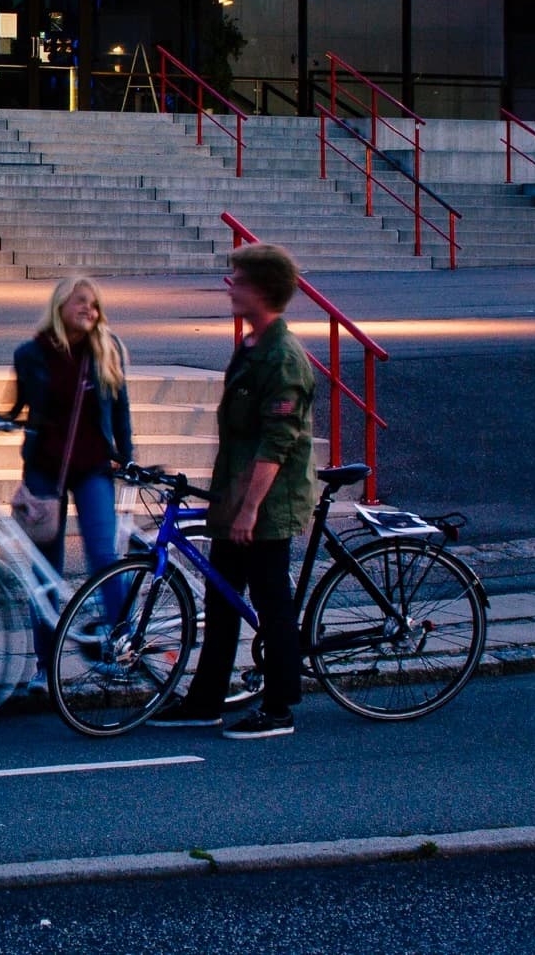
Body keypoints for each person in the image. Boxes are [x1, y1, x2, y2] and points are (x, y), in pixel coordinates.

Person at [153, 242, 315, 740]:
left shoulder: (282, 357)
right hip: (236, 493)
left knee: (271, 601)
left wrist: (249, 510)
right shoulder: (251, 346)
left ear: (262, 290)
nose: (230, 286)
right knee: (221, 599)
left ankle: (280, 706)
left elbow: (277, 443)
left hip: (268, 501)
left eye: (239, 279)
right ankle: (206, 700)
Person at [3, 275, 133, 684]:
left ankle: (122, 647)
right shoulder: (31, 354)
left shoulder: (106, 351)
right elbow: (18, 408)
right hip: (45, 469)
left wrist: (126, 458)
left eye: (94, 305)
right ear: (60, 306)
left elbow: (122, 409)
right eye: (80, 302)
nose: (88, 310)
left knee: (103, 558)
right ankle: (46, 666)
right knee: (46, 570)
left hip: (94, 467)